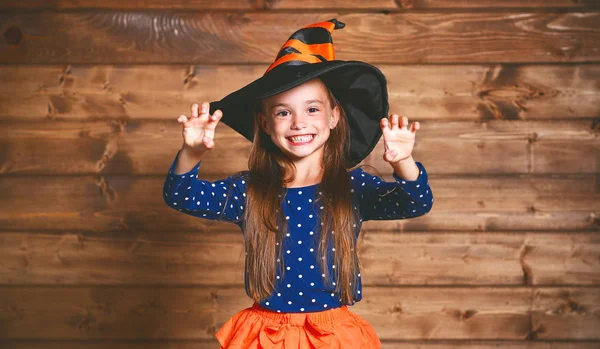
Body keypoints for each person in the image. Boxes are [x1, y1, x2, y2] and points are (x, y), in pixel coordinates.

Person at [163, 19, 433, 349]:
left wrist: (403, 162)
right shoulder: (250, 191)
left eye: (312, 108)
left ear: (333, 117)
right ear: (264, 122)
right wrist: (191, 152)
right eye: (282, 113)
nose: (299, 122)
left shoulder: (353, 187)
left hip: (335, 335)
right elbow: (181, 195)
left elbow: (415, 202)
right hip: (267, 335)